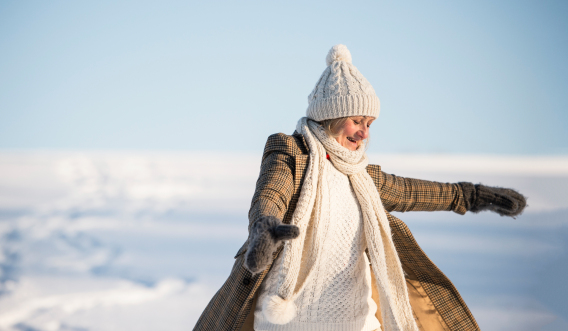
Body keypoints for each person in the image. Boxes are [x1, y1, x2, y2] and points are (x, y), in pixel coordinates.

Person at [193, 45, 526, 331]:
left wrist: (473, 195)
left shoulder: (363, 177)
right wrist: (264, 225)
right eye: (356, 121)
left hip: (356, 321)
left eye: (369, 124)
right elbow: (272, 191)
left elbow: (414, 192)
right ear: (331, 116)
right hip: (288, 321)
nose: (364, 133)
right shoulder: (291, 151)